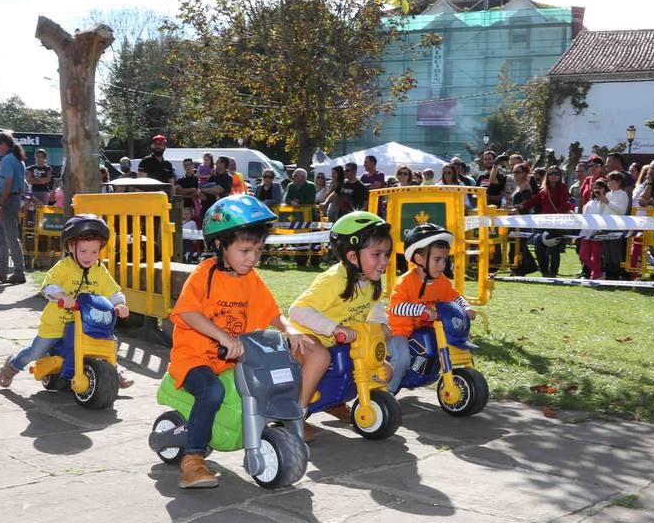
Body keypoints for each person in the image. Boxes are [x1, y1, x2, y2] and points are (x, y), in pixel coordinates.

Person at [167, 196, 310, 487]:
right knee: (211, 392)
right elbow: (188, 312)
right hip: (194, 356)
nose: (252, 258)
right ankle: (193, 459)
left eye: (257, 250)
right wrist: (224, 337)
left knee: (266, 383)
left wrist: (290, 329)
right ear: (220, 245)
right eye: (245, 250)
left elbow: (272, 312)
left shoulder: (250, 278)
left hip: (233, 358)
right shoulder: (204, 275)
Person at [288, 211, 393, 441]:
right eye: (376, 254)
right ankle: (295, 416)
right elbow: (297, 310)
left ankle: (336, 400)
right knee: (320, 358)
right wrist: (334, 328)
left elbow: (375, 308)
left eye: (386, 254)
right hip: (305, 335)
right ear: (353, 257)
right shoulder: (334, 280)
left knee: (382, 366)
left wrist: (380, 326)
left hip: (339, 338)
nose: (384, 261)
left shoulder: (371, 281)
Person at [0, 214, 127, 387]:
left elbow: (113, 291)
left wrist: (119, 304)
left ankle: (112, 370)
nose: (88, 256)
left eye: (94, 252)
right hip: (56, 324)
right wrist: (61, 296)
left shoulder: (99, 270)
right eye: (83, 251)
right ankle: (12, 366)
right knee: (36, 351)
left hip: (88, 324)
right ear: (71, 246)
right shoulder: (65, 266)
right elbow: (48, 285)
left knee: (108, 342)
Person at [385, 223, 474, 393]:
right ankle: (387, 391)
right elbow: (396, 307)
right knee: (402, 359)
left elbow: (454, 296)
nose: (442, 265)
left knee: (446, 347)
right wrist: (422, 310)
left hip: (426, 330)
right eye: (437, 260)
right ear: (419, 259)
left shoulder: (441, 281)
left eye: (445, 259)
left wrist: (466, 307)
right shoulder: (406, 282)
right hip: (399, 331)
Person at [520, 166, 574, 278]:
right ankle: (544, 272)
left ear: (560, 176)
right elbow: (533, 201)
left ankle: (553, 272)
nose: (553, 176)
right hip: (543, 223)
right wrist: (520, 207)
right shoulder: (544, 190)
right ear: (547, 176)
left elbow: (563, 205)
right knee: (539, 245)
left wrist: (555, 218)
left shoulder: (563, 188)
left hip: (556, 223)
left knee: (553, 247)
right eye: (551, 173)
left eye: (556, 174)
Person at [0, 131, 27, 284]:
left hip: (7, 200)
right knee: (1, 236)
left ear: (4, 144)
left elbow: (8, 183)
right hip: (14, 198)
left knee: (11, 237)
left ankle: (19, 272)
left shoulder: (7, 159)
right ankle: (3, 271)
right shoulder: (18, 159)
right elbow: (23, 185)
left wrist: (0, 205)